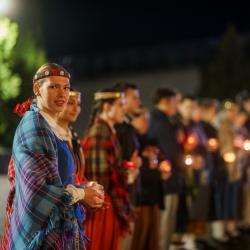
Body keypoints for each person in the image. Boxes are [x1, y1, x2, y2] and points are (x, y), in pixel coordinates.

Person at [1, 63, 104, 250]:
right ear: (37, 89)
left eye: (65, 87)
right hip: (42, 236)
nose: (62, 93)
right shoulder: (34, 126)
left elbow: (59, 179)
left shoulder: (45, 125)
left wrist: (84, 188)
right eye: (54, 86)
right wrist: (81, 194)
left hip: (57, 227)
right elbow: (37, 191)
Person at [83, 89, 132, 250]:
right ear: (106, 107)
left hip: (108, 200)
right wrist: (127, 174)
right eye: (120, 105)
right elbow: (100, 177)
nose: (124, 109)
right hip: (103, 203)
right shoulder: (100, 131)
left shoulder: (108, 130)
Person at [148, 88, 183, 250]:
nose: (178, 106)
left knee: (169, 223)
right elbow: (168, 150)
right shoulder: (159, 122)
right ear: (166, 101)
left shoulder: (167, 121)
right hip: (166, 181)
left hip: (172, 178)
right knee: (164, 224)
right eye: (176, 102)